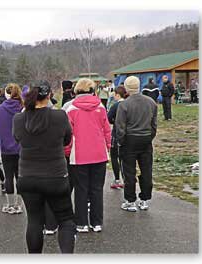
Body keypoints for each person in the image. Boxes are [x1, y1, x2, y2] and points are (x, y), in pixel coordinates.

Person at [14, 80, 76, 253]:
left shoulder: (19, 119)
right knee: (65, 220)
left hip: (27, 177)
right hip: (55, 176)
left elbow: (18, 139)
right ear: (49, 96)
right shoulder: (60, 116)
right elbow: (67, 140)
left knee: (34, 220)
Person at [65, 78, 111, 233]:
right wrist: (108, 146)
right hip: (99, 153)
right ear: (92, 90)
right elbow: (106, 130)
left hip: (78, 155)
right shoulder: (101, 106)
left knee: (81, 189)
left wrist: (67, 151)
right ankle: (97, 222)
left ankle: (81, 223)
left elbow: (68, 134)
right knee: (97, 189)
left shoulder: (70, 109)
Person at [116, 76, 157, 212]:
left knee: (129, 171)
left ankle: (130, 200)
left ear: (127, 88)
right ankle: (144, 199)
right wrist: (149, 136)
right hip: (146, 138)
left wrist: (121, 141)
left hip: (129, 140)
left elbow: (120, 126)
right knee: (146, 170)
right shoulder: (151, 102)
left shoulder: (124, 104)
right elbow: (154, 125)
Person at [0, 83, 23, 214]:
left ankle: (10, 204)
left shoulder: (0, 109)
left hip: (5, 147)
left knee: (8, 176)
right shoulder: (23, 108)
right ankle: (19, 205)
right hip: (21, 147)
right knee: (20, 176)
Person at [107, 86, 129, 189]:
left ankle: (117, 179)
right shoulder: (129, 104)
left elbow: (108, 118)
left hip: (116, 134)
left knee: (114, 157)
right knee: (124, 159)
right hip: (128, 134)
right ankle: (126, 180)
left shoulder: (116, 106)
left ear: (117, 95)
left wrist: (114, 122)